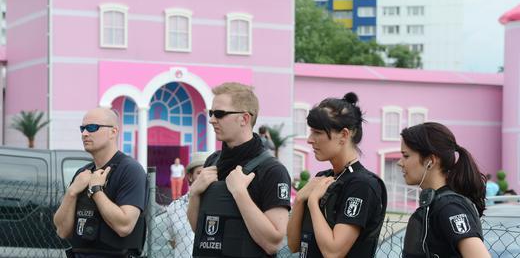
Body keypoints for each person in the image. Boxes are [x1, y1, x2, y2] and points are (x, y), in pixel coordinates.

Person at [187, 82, 291, 257]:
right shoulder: (213, 161)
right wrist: (194, 194)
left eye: (219, 114)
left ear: (244, 118)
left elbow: (273, 243)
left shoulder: (272, 170)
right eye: (211, 113)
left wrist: (240, 193)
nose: (212, 120)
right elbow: (198, 228)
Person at [287, 92, 387, 257]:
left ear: (344, 135)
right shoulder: (323, 177)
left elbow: (333, 252)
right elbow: (293, 244)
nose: (310, 140)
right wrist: (299, 200)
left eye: (318, 132)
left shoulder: (362, 184)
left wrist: (312, 202)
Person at [53, 108, 147, 258]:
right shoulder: (82, 174)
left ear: (113, 132)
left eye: (92, 128)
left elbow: (124, 226)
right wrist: (71, 192)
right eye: (82, 128)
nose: (84, 134)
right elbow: (62, 231)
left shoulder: (130, 170)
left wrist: (96, 190)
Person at [398, 122, 490, 258]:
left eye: (406, 156)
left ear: (430, 160)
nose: (400, 162)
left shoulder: (450, 206)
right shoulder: (435, 204)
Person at [166, 152, 209, 258]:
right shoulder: (175, 207)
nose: (204, 177)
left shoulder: (220, 207)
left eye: (208, 173)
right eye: (199, 173)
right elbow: (172, 242)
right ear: (190, 176)